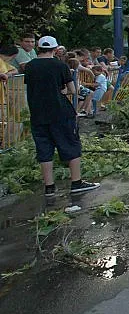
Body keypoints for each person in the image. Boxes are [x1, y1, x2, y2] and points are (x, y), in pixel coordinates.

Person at [23, 36, 99, 196]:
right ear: (55, 49)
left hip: (38, 113)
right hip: (60, 113)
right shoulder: (60, 66)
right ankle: (76, 183)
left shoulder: (30, 67)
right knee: (71, 145)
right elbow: (73, 90)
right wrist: (63, 90)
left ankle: (49, 187)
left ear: (38, 47)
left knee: (44, 150)